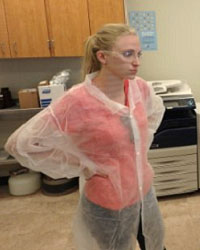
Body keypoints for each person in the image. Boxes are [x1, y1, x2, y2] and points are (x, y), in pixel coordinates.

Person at [5, 23, 166, 250]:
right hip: (108, 202)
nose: (136, 61)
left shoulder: (139, 87)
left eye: (138, 54)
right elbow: (19, 144)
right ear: (103, 56)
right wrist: (82, 164)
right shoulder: (78, 101)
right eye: (127, 54)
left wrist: (137, 147)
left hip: (143, 191)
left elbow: (155, 110)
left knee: (155, 243)